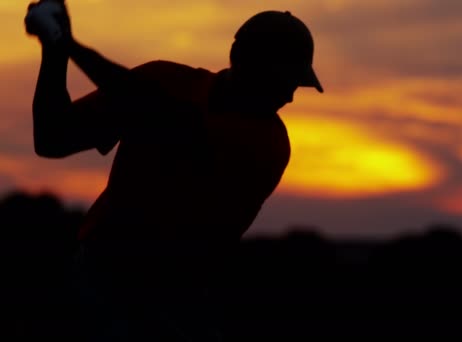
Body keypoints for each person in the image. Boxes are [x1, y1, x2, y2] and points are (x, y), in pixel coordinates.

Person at [25, 1, 323, 340]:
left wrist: (69, 45)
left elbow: (165, 115)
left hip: (174, 305)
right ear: (246, 62)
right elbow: (53, 137)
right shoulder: (163, 80)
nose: (289, 96)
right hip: (93, 280)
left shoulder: (267, 143)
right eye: (284, 79)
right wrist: (54, 52)